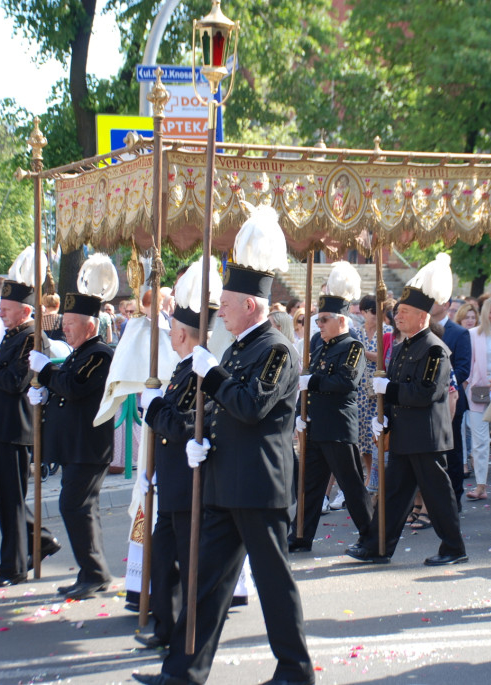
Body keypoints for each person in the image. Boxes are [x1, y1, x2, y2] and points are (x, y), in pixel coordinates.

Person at [134, 205, 314, 685]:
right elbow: (218, 409)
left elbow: (252, 405)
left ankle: (296, 671)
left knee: (275, 584)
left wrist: (210, 374)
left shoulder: (276, 348)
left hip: (258, 486)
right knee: (204, 586)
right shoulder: (236, 347)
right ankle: (183, 673)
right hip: (222, 482)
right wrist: (200, 440)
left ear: (251, 306)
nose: (222, 316)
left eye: (228, 307)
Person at [347, 253, 466, 566]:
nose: (397, 316)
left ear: (423, 317)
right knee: (393, 496)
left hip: (426, 436)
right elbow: (396, 396)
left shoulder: (436, 350)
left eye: (405, 312)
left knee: (438, 496)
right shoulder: (400, 349)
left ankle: (454, 548)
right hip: (403, 434)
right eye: (397, 311)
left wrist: (391, 390)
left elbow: (425, 393)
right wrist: (382, 420)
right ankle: (377, 546)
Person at [136, 257, 220, 651]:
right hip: (171, 481)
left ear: (185, 335)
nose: (169, 334)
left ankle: (186, 632)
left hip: (188, 484)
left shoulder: (196, 373)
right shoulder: (182, 370)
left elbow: (183, 423)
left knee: (186, 564)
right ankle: (166, 627)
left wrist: (152, 407)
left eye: (173, 329)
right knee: (163, 558)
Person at [0, 280, 61, 589]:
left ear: (25, 310)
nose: (1, 315)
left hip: (15, 429)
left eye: (6, 310)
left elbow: (15, 382)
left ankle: (12, 568)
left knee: (10, 499)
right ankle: (41, 540)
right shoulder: (13, 335)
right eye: (0, 310)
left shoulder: (33, 339)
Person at [29, 292, 114, 598]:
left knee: (76, 506)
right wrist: (44, 393)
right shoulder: (79, 353)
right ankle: (91, 572)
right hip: (74, 446)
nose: (64, 329)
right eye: (64, 322)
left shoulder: (100, 354)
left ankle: (95, 573)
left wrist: (47, 371)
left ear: (90, 326)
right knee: (79, 508)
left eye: (71, 323)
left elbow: (75, 387)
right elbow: (64, 390)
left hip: (88, 446)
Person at [289, 262, 374, 554]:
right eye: (318, 319)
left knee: (351, 486)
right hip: (314, 425)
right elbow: (306, 379)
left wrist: (312, 383)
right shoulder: (317, 342)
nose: (319, 324)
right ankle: (300, 534)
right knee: (310, 486)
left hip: (337, 427)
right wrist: (302, 411)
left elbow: (345, 381)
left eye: (324, 319)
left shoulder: (352, 347)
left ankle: (370, 536)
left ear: (341, 320)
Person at [431, 288, 472, 507]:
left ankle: (454, 498)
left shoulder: (459, 333)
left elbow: (463, 369)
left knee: (453, 451)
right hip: (427, 402)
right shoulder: (424, 330)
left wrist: (441, 385)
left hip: (451, 400)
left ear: (446, 304)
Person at [354, 294, 393, 491]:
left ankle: (379, 475)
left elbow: (383, 357)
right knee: (362, 436)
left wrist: (363, 353)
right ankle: (369, 474)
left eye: (380, 312)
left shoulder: (387, 331)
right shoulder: (356, 332)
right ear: (363, 312)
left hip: (378, 391)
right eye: (372, 312)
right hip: (360, 389)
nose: (376, 315)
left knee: (375, 433)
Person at [464, 298, 491, 500]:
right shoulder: (473, 334)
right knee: (479, 439)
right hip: (478, 388)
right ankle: (480, 485)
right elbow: (470, 363)